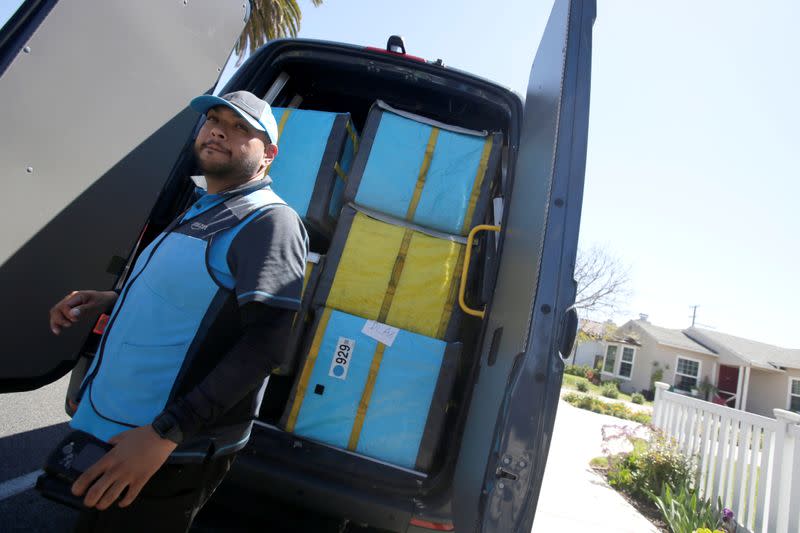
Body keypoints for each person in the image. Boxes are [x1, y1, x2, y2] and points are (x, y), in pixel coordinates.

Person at [47, 91, 308, 532]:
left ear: (269, 155)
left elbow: (265, 345)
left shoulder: (269, 223)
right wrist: (106, 299)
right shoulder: (201, 207)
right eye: (213, 119)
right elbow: (197, 302)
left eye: (241, 127)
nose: (219, 129)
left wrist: (165, 434)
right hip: (120, 432)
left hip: (166, 452)